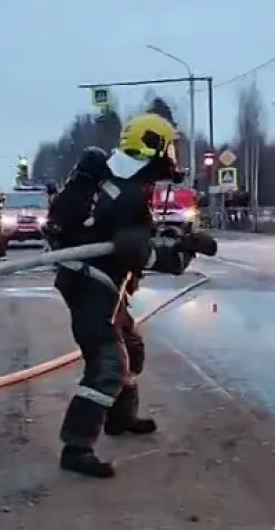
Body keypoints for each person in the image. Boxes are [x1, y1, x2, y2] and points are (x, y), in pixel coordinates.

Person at [45, 112, 205, 479]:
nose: (173, 157)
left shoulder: (122, 178)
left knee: (129, 348)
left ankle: (122, 418)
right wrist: (183, 252)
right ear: (153, 147)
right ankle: (77, 446)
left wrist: (175, 237)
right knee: (108, 364)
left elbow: (129, 233)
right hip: (92, 284)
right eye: (170, 148)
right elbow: (135, 249)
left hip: (100, 281)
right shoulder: (130, 190)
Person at [103, 273, 156, 437]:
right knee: (120, 360)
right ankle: (117, 420)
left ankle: (121, 418)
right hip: (101, 295)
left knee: (129, 353)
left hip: (109, 293)